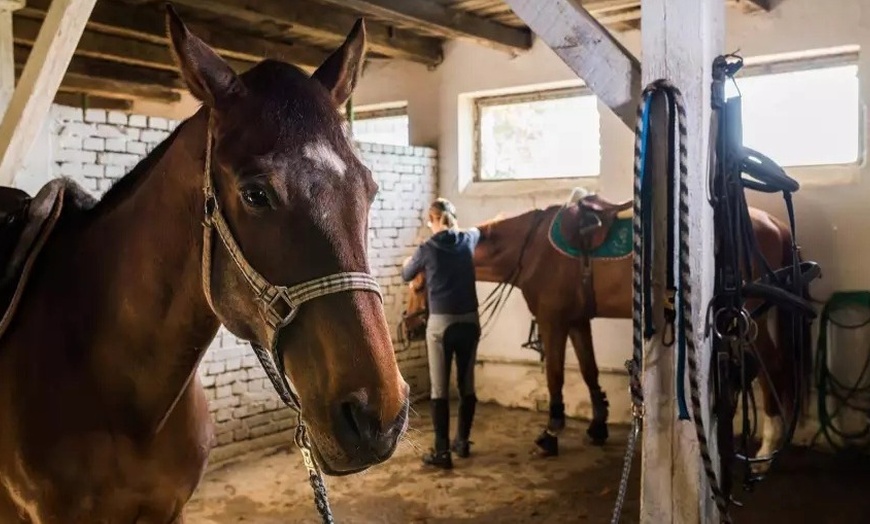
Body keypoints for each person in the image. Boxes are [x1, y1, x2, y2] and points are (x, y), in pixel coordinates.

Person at [402, 198, 482, 470]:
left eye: (429, 220)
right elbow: (478, 231)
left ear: (434, 219)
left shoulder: (428, 248)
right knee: (467, 384)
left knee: (439, 389)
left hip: (441, 326)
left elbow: (406, 274)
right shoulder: (467, 240)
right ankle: (462, 442)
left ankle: (442, 452)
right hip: (470, 322)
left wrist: (407, 261)